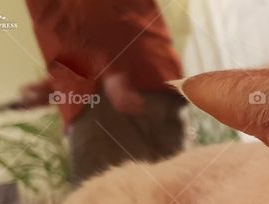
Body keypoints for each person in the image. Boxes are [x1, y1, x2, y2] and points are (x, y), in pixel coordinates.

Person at [19, 0, 186, 184]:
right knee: (164, 198)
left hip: (106, 96)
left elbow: (90, 6)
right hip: (149, 77)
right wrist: (52, 87)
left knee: (110, 203)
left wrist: (114, 72)